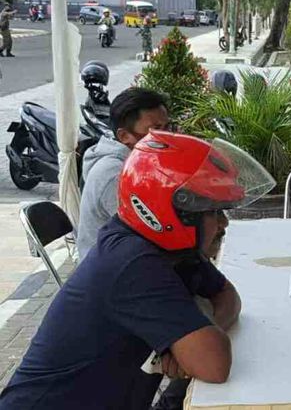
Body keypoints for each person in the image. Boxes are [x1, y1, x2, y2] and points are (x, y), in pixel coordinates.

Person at [0, 131, 276, 409]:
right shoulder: (133, 263)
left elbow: (228, 295)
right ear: (178, 213)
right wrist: (193, 341)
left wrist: (196, 336)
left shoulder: (170, 247)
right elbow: (214, 365)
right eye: (214, 212)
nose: (223, 224)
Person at [77, 87, 170, 260]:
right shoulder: (115, 174)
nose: (165, 137)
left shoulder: (138, 160)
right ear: (124, 135)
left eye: (168, 127)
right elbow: (149, 231)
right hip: (108, 272)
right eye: (156, 130)